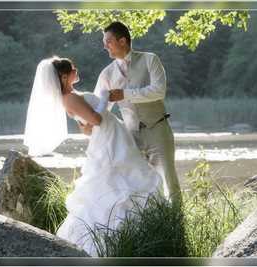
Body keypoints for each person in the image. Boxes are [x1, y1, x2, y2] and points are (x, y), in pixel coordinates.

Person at [23, 56, 162, 256]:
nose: (76, 69)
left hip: (111, 135)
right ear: (63, 77)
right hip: (109, 139)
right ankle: (108, 240)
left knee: (124, 179)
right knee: (117, 182)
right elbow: (96, 119)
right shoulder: (69, 98)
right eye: (72, 68)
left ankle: (128, 234)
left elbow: (87, 130)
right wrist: (105, 97)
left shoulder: (71, 96)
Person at [91, 21, 181, 205]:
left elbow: (158, 90)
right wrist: (86, 120)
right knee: (140, 185)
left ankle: (178, 225)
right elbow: (100, 109)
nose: (104, 45)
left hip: (158, 130)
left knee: (170, 182)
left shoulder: (150, 60)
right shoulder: (106, 74)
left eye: (108, 41)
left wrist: (125, 94)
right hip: (130, 137)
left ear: (122, 41)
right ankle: (151, 224)